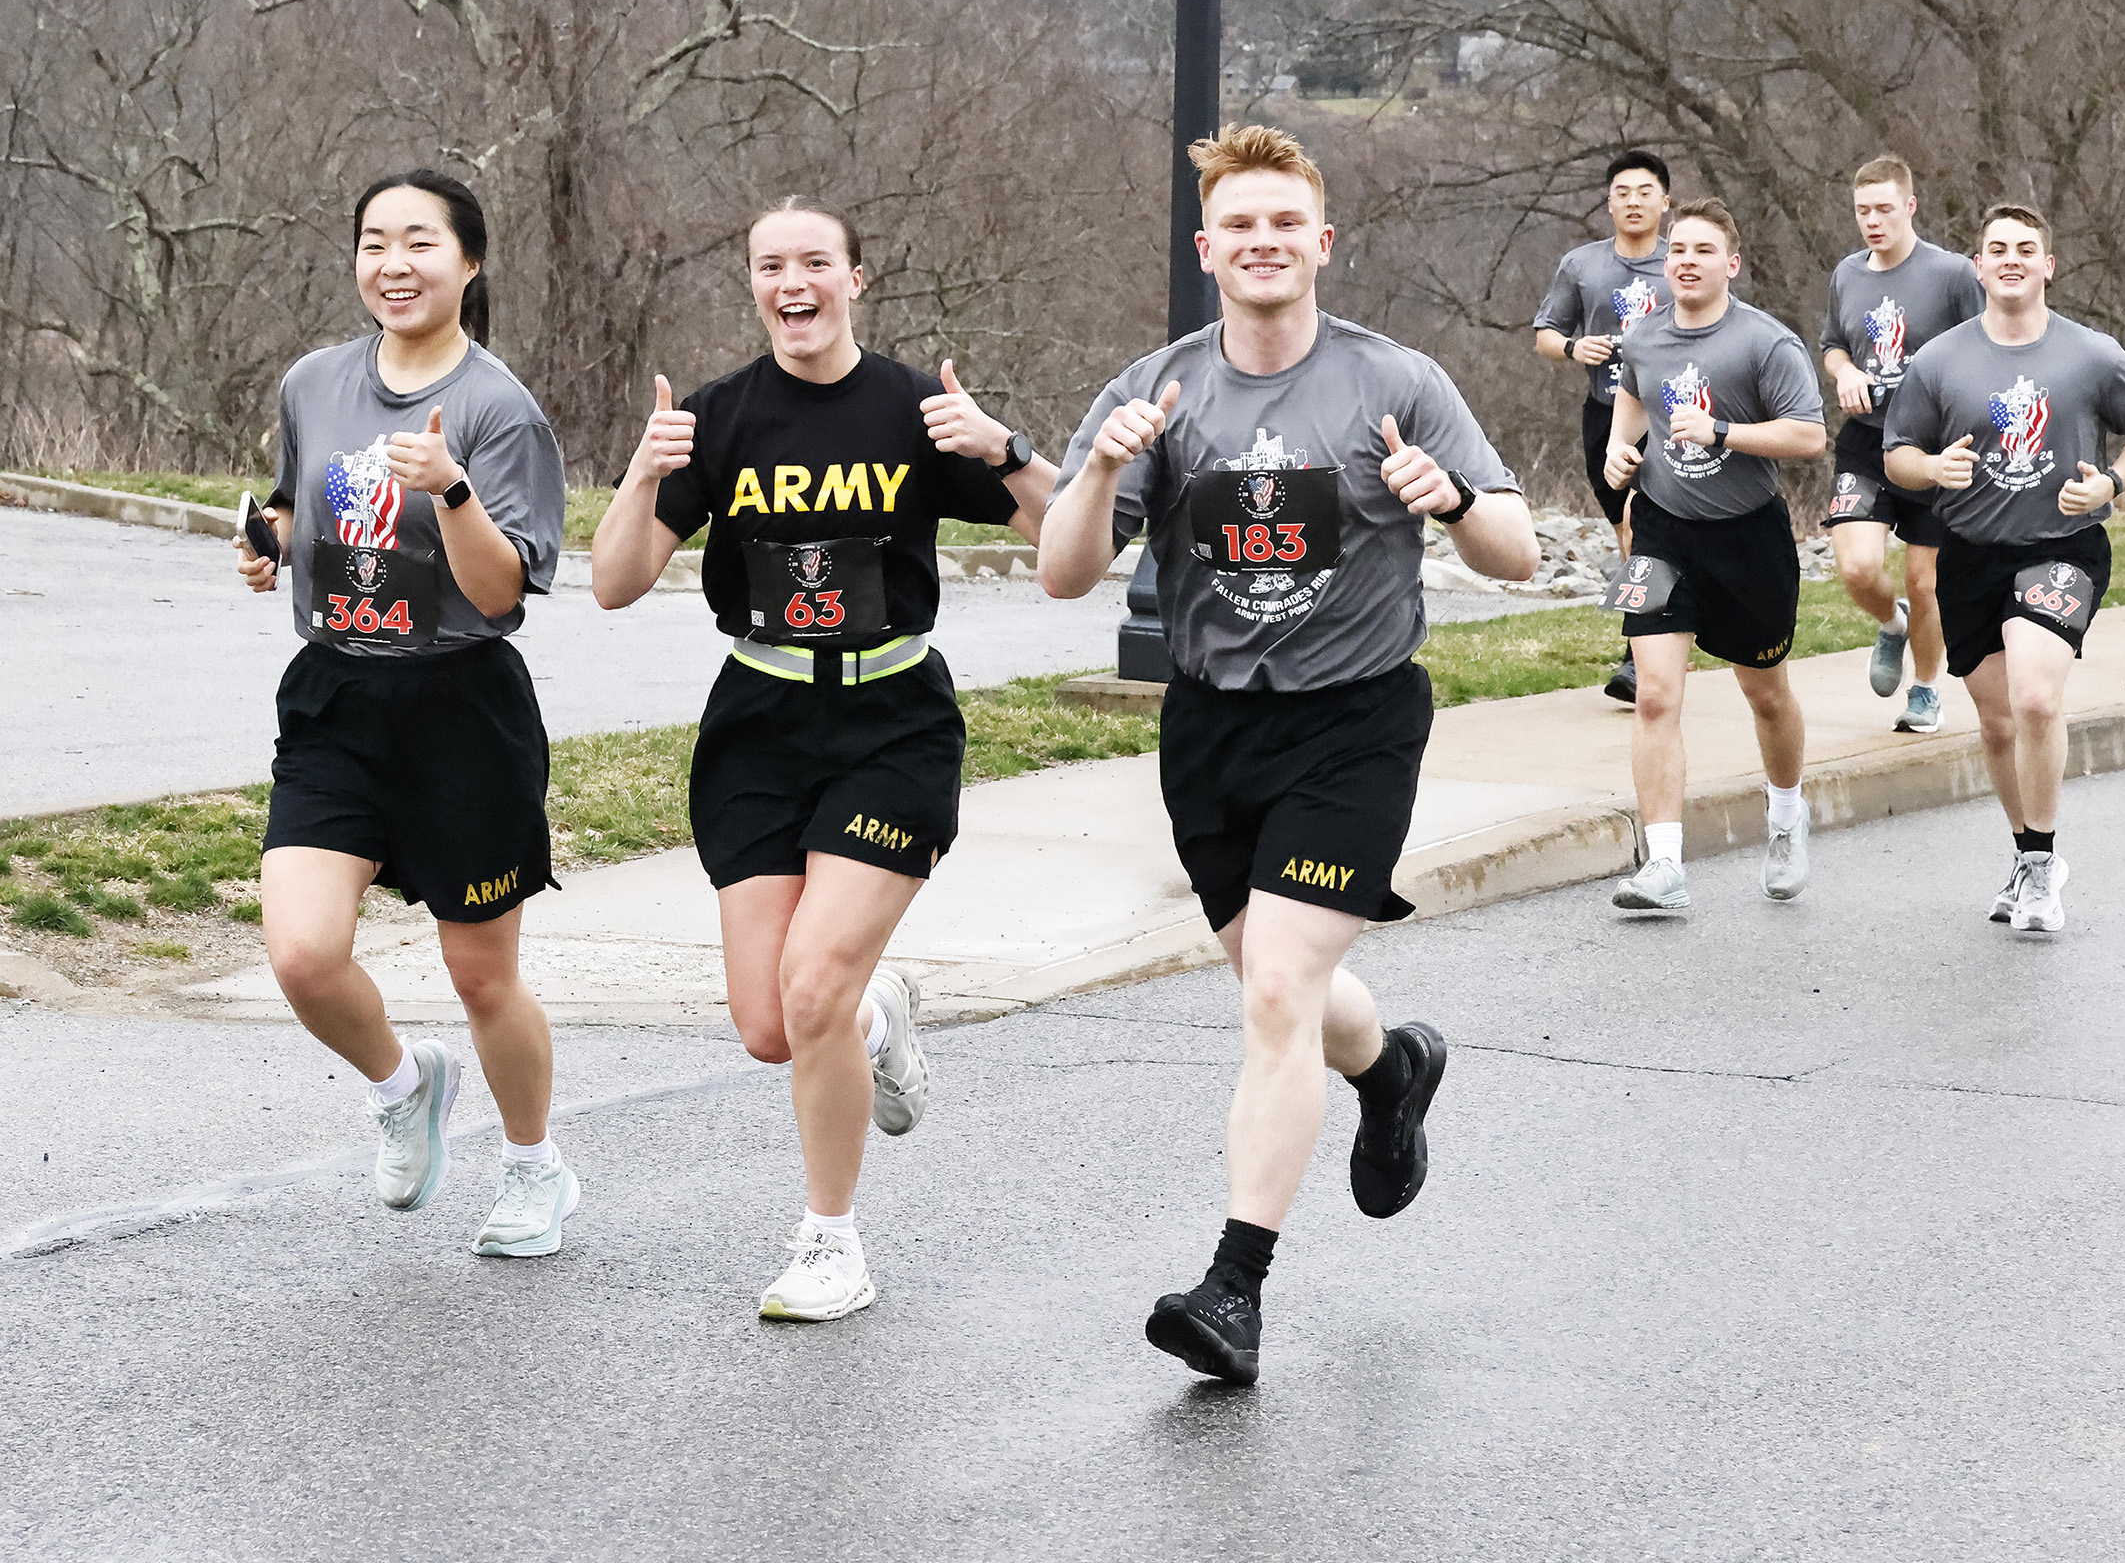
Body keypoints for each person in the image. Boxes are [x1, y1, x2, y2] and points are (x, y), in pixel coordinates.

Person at [1041, 124, 1537, 1385]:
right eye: (1239, 228)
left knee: (1274, 992)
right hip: (1210, 727)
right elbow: (1063, 573)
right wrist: (1100, 470)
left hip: (1356, 720)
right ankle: (1396, 1065)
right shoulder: (1157, 389)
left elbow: (1519, 552)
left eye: (1285, 226)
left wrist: (1455, 504)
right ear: (1208, 250)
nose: (1263, 245)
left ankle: (1234, 1290)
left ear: (1321, 244)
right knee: (1285, 990)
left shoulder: (1398, 380)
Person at [589, 198, 1053, 1322]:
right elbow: (611, 581)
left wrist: (1009, 449)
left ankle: (829, 1240)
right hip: (759, 719)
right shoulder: (721, 416)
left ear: (856, 278)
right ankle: (877, 1015)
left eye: (814, 264)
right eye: (769, 266)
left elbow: (1070, 534)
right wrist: (643, 477)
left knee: (809, 989)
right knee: (769, 1025)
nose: (792, 283)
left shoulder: (910, 406)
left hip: (891, 718)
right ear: (754, 286)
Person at [233, 169, 575, 1255]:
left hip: (460, 704)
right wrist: (267, 543)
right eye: (374, 241)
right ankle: (403, 1082)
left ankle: (535, 1167)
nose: (395, 263)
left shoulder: (496, 408)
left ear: (467, 264)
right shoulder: (314, 381)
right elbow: (300, 503)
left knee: (480, 974)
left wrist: (453, 490)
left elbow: (502, 590)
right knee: (300, 952)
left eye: (419, 242)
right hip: (336, 690)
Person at [1885, 204, 2125, 933]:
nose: (2011, 259)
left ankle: (2044, 869)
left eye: (2026, 248)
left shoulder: (2091, 353)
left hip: (2062, 547)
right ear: (1977, 267)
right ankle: (2024, 851)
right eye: (1996, 249)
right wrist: (1934, 467)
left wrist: (2111, 482)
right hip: (1971, 553)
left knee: (2036, 699)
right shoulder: (1940, 359)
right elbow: (1898, 455)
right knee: (1995, 721)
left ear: (2048, 265)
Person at [1601, 200, 1827, 915]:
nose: (1687, 261)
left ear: (1731, 264)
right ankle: (1662, 863)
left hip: (1747, 534)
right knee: (1657, 691)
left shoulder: (1766, 344)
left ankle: (1787, 818)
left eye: (1703, 250)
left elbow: (1808, 437)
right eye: (1677, 251)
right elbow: (1634, 397)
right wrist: (1619, 447)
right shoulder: (1643, 336)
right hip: (1664, 531)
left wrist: (1724, 431)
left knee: (1764, 693)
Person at [1819, 155, 1986, 732]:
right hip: (1867, 440)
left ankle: (1926, 688)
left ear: (1910, 206)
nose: (1873, 221)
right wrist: (1843, 372)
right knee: (1859, 569)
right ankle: (1894, 623)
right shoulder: (1847, 274)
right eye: (1863, 210)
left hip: (1935, 450)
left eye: (1885, 208)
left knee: (1926, 579)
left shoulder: (1953, 274)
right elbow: (1832, 344)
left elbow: (1989, 344)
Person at [1534, 149, 1672, 706]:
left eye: (1644, 191)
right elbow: (1544, 333)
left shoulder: (1680, 261)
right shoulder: (1582, 266)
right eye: (1622, 192)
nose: (1633, 201)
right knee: (1627, 531)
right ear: (1608, 202)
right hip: (1606, 412)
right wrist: (1573, 347)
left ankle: (1638, 653)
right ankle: (1663, 623)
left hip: (1670, 417)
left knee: (1642, 523)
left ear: (1665, 201)